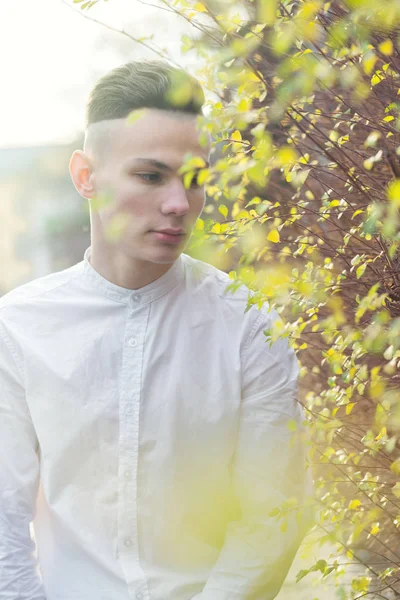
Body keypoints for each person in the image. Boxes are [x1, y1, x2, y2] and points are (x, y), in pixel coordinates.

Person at [0, 60, 314, 600]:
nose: (178, 204)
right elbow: (4, 517)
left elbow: (274, 514)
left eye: (195, 180)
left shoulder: (250, 326)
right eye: (150, 175)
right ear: (85, 176)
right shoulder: (18, 327)